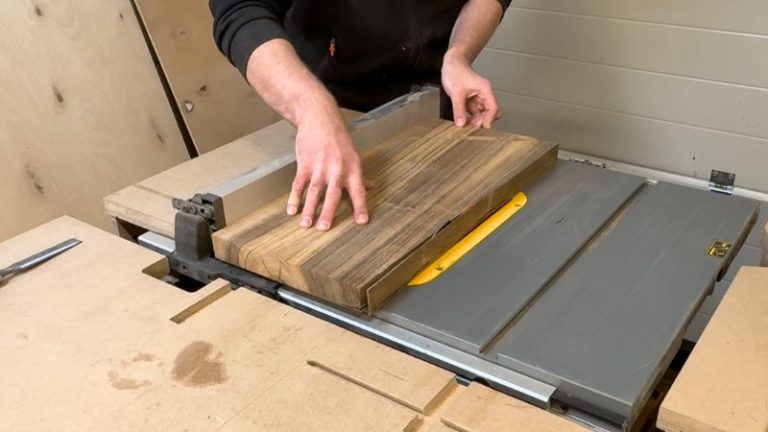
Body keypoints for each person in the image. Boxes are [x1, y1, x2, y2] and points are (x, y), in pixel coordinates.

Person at [210, 0, 510, 231]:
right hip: (325, 106)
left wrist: (458, 56)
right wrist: (312, 109)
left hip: (428, 105)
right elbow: (241, 10)